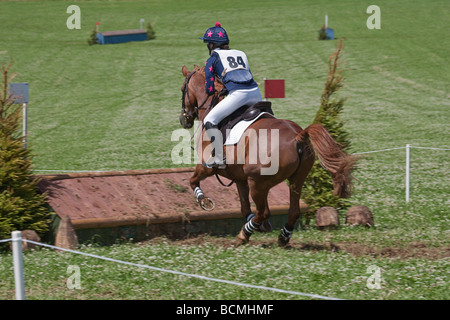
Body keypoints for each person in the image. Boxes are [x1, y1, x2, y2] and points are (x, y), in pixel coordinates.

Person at [200, 22, 262, 169]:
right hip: (256, 93)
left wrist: (214, 91)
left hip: (238, 95)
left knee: (209, 119)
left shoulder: (213, 59)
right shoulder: (241, 53)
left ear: (211, 45)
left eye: (208, 44)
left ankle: (219, 158)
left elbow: (209, 87)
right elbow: (244, 75)